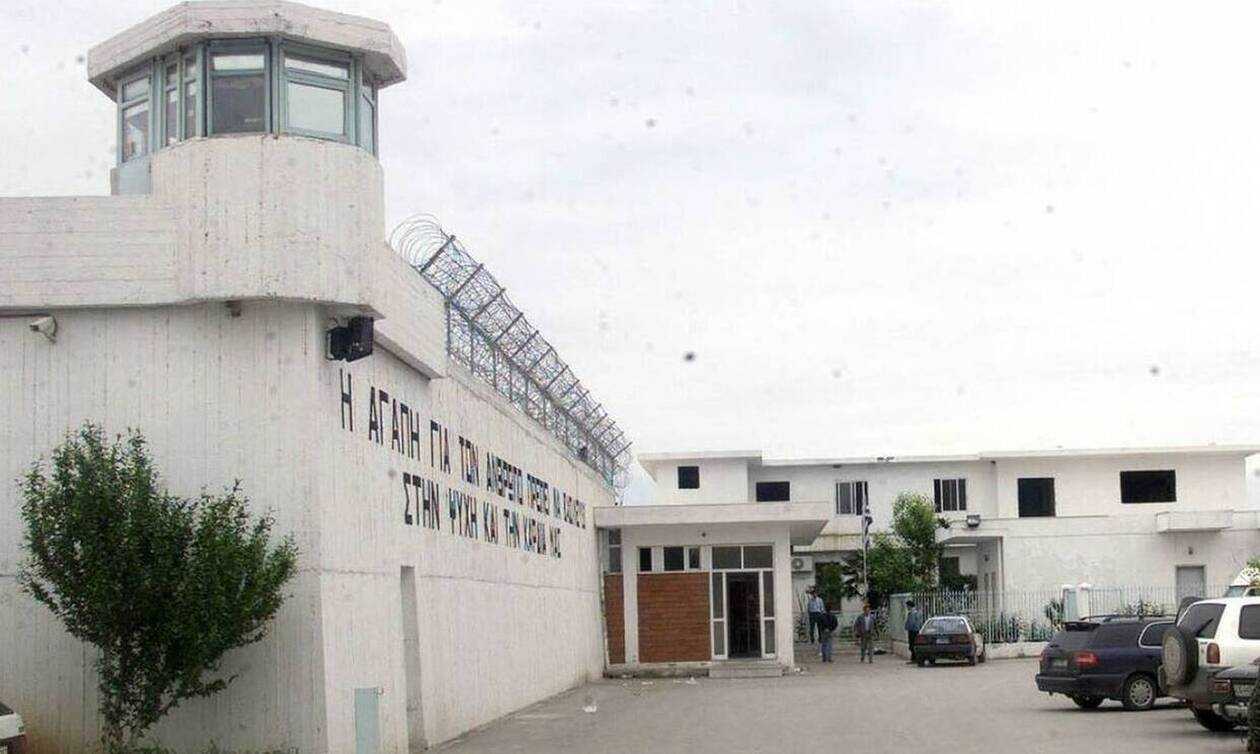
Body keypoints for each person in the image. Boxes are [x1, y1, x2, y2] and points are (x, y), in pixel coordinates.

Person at [904, 600, 924, 665]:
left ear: (909, 606)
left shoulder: (912, 613)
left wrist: (907, 627)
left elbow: (911, 622)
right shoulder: (917, 612)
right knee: (913, 644)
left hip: (913, 631)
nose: (907, 607)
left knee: (912, 644)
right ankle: (914, 658)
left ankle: (914, 659)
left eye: (907, 606)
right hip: (916, 630)